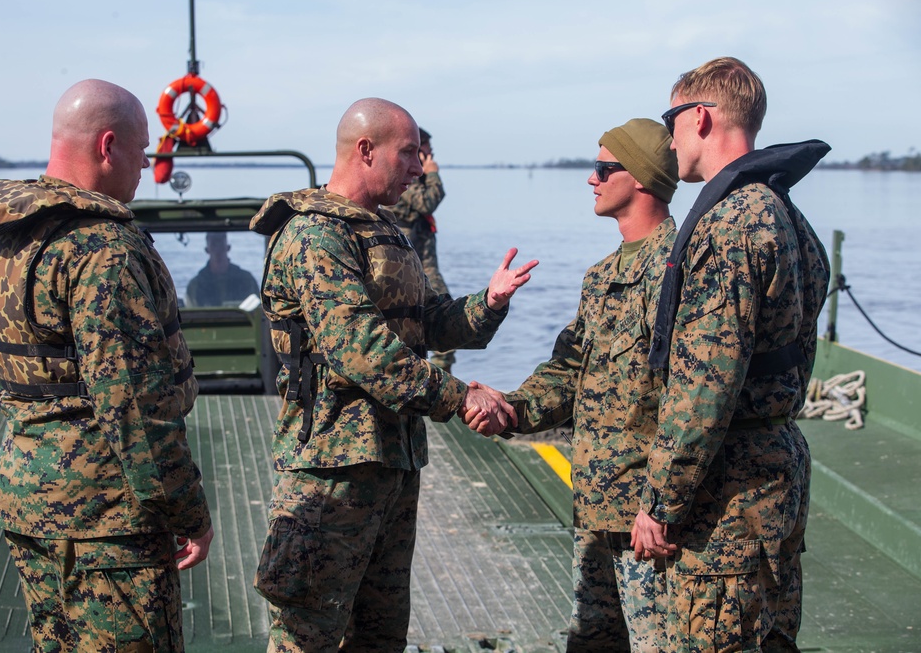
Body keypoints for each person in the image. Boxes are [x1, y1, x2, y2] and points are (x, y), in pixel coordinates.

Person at [249, 97, 538, 653]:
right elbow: (361, 349)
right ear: (365, 151)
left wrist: (489, 303)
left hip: (391, 463)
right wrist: (463, 396)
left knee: (380, 635)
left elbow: (425, 323)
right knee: (308, 636)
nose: (418, 166)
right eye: (408, 153)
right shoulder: (315, 237)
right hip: (331, 469)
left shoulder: (383, 230)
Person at [0, 79, 214, 652]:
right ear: (108, 145)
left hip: (26, 499)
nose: (145, 164)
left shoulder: (1, 233)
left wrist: (46, 420)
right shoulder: (103, 249)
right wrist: (187, 510)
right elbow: (134, 406)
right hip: (108, 520)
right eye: (142, 150)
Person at [632, 57, 831, 651]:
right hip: (779, 467)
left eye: (671, 120)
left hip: (730, 493)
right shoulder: (788, 216)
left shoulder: (729, 226)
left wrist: (661, 503)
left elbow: (705, 387)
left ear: (700, 117)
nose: (668, 139)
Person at [465, 118, 679, 652]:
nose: (592, 179)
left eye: (606, 168)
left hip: (648, 520)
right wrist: (510, 410)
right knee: (591, 642)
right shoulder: (601, 277)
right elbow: (568, 372)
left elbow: (697, 399)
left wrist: (664, 501)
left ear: (642, 179)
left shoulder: (680, 273)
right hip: (597, 509)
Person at [387, 127, 455, 372]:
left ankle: (437, 379)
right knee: (445, 318)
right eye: (426, 153)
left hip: (421, 264)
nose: (430, 159)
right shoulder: (406, 179)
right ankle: (435, 383)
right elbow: (426, 202)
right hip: (413, 267)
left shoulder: (414, 177)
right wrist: (433, 175)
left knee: (442, 322)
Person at [185, 231, 259, 306]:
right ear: (207, 250)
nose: (218, 250)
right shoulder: (195, 285)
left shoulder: (247, 280)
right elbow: (191, 314)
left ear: (228, 247)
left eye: (221, 245)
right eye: (214, 245)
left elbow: (258, 308)